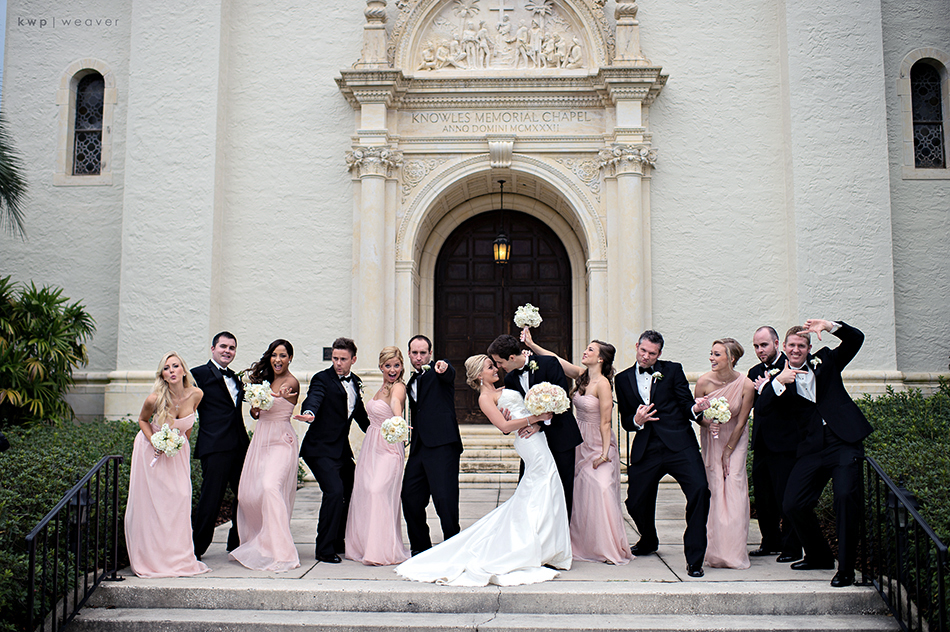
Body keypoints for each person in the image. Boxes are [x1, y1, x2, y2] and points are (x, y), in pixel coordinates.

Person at [395, 355, 570, 585]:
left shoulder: (507, 386)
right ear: (479, 374)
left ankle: (547, 546)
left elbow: (517, 410)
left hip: (536, 439)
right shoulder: (484, 398)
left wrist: (538, 414)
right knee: (541, 486)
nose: (495, 368)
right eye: (490, 367)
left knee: (545, 489)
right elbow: (505, 426)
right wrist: (533, 418)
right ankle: (537, 547)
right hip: (528, 442)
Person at [757, 320, 873, 587]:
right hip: (812, 447)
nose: (796, 349)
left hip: (843, 441)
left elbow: (856, 339)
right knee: (793, 503)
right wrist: (777, 383)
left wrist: (831, 326)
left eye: (801, 345)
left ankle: (845, 569)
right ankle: (819, 555)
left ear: (809, 348)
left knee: (845, 497)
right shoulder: (779, 380)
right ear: (783, 348)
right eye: (792, 346)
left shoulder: (827, 361)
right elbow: (762, 409)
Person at [521, 329, 631, 565]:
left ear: (600, 358)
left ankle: (605, 546)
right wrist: (532, 344)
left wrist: (604, 453)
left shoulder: (603, 384)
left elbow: (605, 422)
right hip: (577, 439)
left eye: (590, 349)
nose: (585, 351)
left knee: (601, 488)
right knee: (579, 492)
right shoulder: (582, 376)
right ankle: (580, 543)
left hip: (597, 441)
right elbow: (554, 360)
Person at [616, 330, 711, 578]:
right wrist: (635, 421)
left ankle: (695, 559)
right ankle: (648, 539)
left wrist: (696, 408)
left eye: (652, 353)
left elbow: (685, 403)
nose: (646, 356)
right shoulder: (622, 379)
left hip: (679, 444)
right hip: (647, 447)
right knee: (635, 502)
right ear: (636, 346)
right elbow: (626, 419)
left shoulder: (673, 370)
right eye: (643, 350)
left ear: (660, 354)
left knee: (700, 490)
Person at [125, 352, 210, 578]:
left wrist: (181, 444)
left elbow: (189, 425)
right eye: (166, 368)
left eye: (175, 366)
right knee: (157, 505)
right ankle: (154, 559)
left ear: (183, 369)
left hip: (177, 454)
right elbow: (143, 420)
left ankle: (178, 557)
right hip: (151, 453)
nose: (171, 371)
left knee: (180, 499)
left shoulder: (196, 394)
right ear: (162, 374)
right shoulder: (155, 398)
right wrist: (155, 441)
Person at [488, 333, 582, 518]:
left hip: (560, 437)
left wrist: (540, 424)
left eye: (499, 362)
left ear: (512, 358)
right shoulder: (510, 379)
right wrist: (508, 418)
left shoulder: (549, 364)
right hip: (532, 442)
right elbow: (518, 411)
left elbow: (562, 401)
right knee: (529, 488)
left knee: (562, 489)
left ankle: (563, 539)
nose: (499, 367)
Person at [294, 337, 370, 563]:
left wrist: (384, 433)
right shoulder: (322, 379)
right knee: (334, 492)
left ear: (353, 359)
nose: (338, 363)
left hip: (340, 451)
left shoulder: (355, 382)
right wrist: (309, 413)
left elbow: (361, 416)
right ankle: (324, 548)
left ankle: (339, 539)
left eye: (343, 359)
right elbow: (314, 398)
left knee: (354, 488)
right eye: (335, 358)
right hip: (318, 450)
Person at [229, 339, 300, 572]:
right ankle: (259, 542)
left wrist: (280, 395)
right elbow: (256, 413)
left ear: (290, 358)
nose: (278, 359)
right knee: (249, 493)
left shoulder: (291, 382)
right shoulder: (264, 381)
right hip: (262, 439)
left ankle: (281, 550)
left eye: (283, 355)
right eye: (274, 355)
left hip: (281, 440)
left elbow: (289, 397)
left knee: (270, 487)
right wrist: (256, 406)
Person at [345, 346, 410, 566]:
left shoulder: (398, 387)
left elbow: (396, 404)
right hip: (371, 448)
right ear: (381, 367)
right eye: (388, 365)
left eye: (397, 365)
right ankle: (364, 545)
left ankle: (382, 549)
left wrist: (398, 420)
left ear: (402, 366)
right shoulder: (382, 386)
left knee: (377, 491)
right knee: (364, 492)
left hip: (389, 449)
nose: (392, 370)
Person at [694, 338, 755, 569]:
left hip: (735, 439)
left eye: (717, 354)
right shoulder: (703, 382)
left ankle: (735, 552)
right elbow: (697, 417)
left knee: (735, 486)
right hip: (713, 438)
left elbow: (742, 421)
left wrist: (729, 450)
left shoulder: (746, 384)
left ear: (731, 358)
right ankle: (715, 551)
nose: (711, 358)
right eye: (711, 353)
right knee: (716, 489)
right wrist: (708, 423)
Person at [401, 335, 463, 555]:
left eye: (423, 353)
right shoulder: (410, 381)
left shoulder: (438, 372)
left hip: (443, 445)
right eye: (415, 353)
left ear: (430, 353)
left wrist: (444, 367)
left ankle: (453, 550)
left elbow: (449, 373)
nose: (419, 357)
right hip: (419, 447)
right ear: (409, 354)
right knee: (409, 496)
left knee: (445, 501)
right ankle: (420, 550)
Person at [747, 326, 802, 562]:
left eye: (764, 345)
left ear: (777, 343)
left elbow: (792, 401)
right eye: (757, 346)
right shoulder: (754, 371)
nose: (760, 350)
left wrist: (772, 385)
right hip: (761, 444)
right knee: (763, 498)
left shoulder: (791, 367)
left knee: (784, 497)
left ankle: (791, 547)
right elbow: (751, 405)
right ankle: (770, 542)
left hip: (786, 445)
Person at [191, 331, 249, 559]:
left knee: (245, 496)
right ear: (213, 348)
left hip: (239, 446)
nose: (227, 351)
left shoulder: (235, 377)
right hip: (214, 446)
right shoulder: (197, 374)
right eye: (223, 346)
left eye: (232, 348)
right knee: (211, 498)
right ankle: (195, 548)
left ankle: (235, 542)